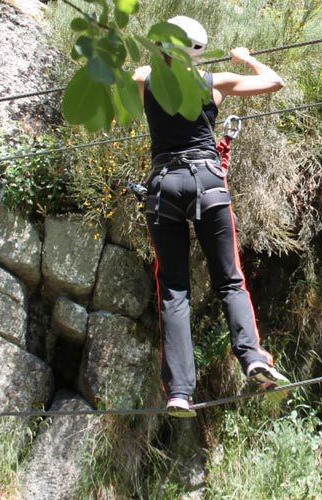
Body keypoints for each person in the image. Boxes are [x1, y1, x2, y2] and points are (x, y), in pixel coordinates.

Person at [132, 16, 288, 418]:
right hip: (207, 183)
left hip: (164, 186)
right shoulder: (215, 82)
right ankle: (253, 357)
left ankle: (180, 392)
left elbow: (135, 71)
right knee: (230, 281)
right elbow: (275, 82)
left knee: (174, 290)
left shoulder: (145, 78)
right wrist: (246, 58)